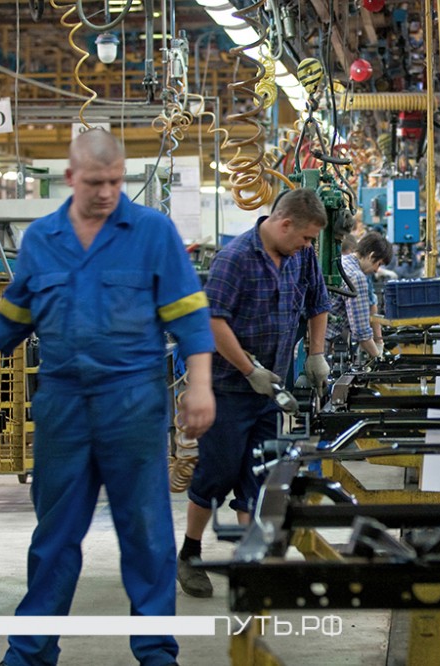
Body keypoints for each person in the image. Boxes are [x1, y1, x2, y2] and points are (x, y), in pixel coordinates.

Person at [0, 129, 214, 666]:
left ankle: (157, 654)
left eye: (115, 182)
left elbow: (191, 317)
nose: (106, 193)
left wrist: (200, 385)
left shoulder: (151, 232)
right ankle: (29, 654)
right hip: (63, 409)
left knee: (146, 536)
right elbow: (9, 323)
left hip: (133, 405)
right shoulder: (41, 239)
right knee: (53, 538)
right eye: (96, 182)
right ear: (71, 178)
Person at [177, 187, 331, 598]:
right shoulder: (235, 259)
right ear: (285, 224)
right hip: (228, 389)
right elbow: (214, 321)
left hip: (271, 392)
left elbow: (318, 303)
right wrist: (249, 371)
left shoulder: (302, 256)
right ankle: (189, 553)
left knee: (259, 479)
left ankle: (251, 564)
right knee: (217, 474)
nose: (308, 245)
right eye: (306, 237)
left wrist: (317, 354)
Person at [326, 231, 393, 358]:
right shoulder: (357, 277)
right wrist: (378, 357)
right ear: (371, 255)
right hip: (322, 340)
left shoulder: (343, 261)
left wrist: (378, 342)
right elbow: (361, 332)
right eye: (378, 264)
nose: (376, 270)